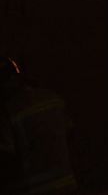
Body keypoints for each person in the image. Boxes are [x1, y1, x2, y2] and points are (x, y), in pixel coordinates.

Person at [0, 56, 77, 194]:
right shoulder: (52, 99)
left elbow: (6, 160)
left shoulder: (8, 113)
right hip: (67, 186)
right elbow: (71, 137)